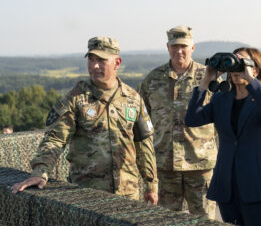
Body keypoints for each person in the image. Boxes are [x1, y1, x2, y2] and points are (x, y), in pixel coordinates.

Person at [12, 36, 159, 205]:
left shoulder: (133, 99)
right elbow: (55, 139)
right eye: (91, 59)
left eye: (101, 60)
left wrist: (151, 185)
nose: (94, 66)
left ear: (117, 63)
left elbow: (144, 144)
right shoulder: (76, 98)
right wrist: (40, 172)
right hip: (87, 194)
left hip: (127, 194)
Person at [185, 47, 261, 225]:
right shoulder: (221, 99)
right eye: (234, 64)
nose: (236, 70)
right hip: (227, 185)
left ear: (256, 69)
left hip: (258, 185)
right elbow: (192, 119)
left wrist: (251, 81)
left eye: (242, 63)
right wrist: (206, 82)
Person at [139, 26, 218, 219]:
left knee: (204, 220)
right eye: (174, 46)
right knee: (164, 220)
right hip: (164, 167)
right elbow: (141, 120)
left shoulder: (209, 77)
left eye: (184, 46)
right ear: (168, 47)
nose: (179, 50)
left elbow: (223, 117)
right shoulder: (152, 80)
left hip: (200, 166)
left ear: (192, 47)